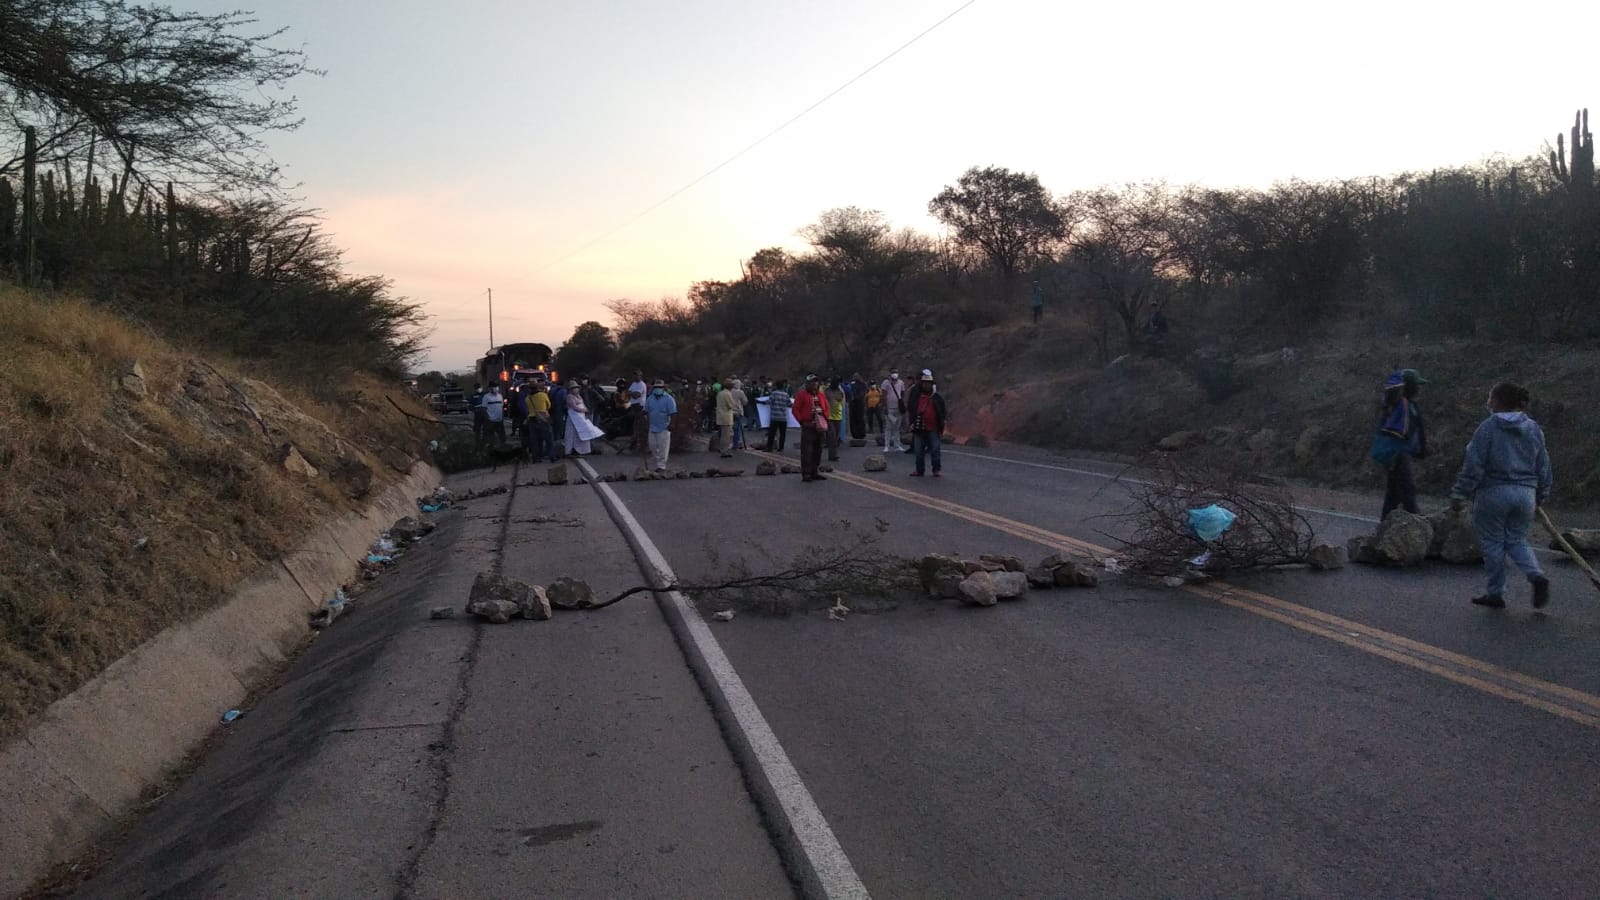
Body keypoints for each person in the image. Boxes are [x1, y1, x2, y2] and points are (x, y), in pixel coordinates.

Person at [1449, 382, 1553, 610]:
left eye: (1490, 398)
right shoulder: (1534, 428)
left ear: (1497, 401)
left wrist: (1460, 494)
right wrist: (1542, 493)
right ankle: (1535, 574)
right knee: (1516, 539)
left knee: (1492, 542)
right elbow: (1543, 464)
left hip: (1493, 493)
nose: (1488, 402)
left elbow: (1474, 465)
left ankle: (1495, 592)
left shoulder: (1488, 428)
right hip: (1526, 493)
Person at [1370, 368, 1429, 519]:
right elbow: (1400, 432)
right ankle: (1419, 526)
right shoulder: (1402, 405)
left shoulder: (1407, 404)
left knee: (1393, 495)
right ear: (1409, 387)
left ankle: (1383, 529)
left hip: (1399, 455)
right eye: (1416, 385)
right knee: (1407, 491)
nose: (1418, 389)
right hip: (1398, 455)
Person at [906, 369, 947, 477]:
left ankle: (936, 470)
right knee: (919, 451)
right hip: (919, 427)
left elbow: (942, 411)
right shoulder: (916, 395)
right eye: (925, 383)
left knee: (935, 449)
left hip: (933, 428)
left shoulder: (937, 397)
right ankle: (919, 470)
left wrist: (941, 423)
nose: (926, 385)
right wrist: (911, 422)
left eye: (929, 383)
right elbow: (911, 409)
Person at [792, 374, 830, 482]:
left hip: (820, 426)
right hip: (808, 426)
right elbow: (795, 409)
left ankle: (815, 471)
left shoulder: (821, 395)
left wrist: (825, 419)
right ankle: (806, 473)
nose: (815, 384)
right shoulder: (802, 395)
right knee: (807, 451)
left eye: (816, 382)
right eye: (812, 382)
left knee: (818, 450)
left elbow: (826, 408)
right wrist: (802, 422)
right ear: (807, 384)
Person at [644, 378, 678, 472]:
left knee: (663, 447)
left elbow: (673, 413)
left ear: (663, 388)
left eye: (660, 387)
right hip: (652, 426)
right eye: (656, 387)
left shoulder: (669, 399)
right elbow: (646, 411)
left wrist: (672, 424)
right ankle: (657, 461)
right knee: (653, 446)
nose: (658, 389)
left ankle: (661, 466)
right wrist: (644, 420)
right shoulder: (650, 398)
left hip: (664, 427)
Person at [564, 379, 605, 455]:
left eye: (576, 388)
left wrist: (585, 409)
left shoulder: (578, 396)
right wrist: (583, 410)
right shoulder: (569, 396)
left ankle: (581, 450)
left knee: (583, 433)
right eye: (573, 388)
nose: (576, 389)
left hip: (580, 417)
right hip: (573, 418)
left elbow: (583, 403)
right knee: (572, 434)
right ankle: (572, 450)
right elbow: (574, 407)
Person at [526, 382, 555, 462]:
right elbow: (549, 405)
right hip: (543, 419)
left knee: (535, 440)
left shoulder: (527, 398)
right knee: (549, 439)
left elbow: (528, 409)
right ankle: (551, 456)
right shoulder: (543, 395)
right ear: (537, 388)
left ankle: (536, 457)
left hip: (532, 419)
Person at [880, 370, 908, 453]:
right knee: (889, 427)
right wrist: (885, 406)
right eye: (893, 372)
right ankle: (886, 446)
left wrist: (901, 403)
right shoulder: (886, 382)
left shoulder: (901, 382)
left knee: (896, 427)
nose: (895, 374)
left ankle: (897, 445)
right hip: (889, 408)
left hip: (898, 408)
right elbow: (883, 395)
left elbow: (902, 393)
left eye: (896, 372)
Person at [715, 378, 741, 458]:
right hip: (726, 416)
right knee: (727, 435)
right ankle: (725, 451)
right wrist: (737, 410)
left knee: (722, 434)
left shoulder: (720, 393)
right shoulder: (728, 394)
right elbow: (730, 405)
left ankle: (722, 449)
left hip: (720, 415)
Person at [764, 379, 792, 451]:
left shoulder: (774, 393)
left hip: (774, 417)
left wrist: (761, 402)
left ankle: (769, 448)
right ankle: (781, 448)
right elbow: (789, 404)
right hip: (783, 418)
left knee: (772, 433)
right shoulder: (786, 395)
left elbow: (769, 402)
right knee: (782, 434)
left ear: (776, 386)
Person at [824, 377, 846, 462]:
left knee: (836, 436)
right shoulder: (827, 392)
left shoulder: (840, 392)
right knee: (832, 436)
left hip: (838, 416)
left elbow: (841, 402)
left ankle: (833, 453)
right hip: (829, 416)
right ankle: (832, 455)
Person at [848, 373, 868, 441]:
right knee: (853, 419)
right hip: (853, 402)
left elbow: (864, 391)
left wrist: (858, 397)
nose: (855, 377)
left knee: (860, 418)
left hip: (860, 402)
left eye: (856, 376)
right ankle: (855, 434)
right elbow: (849, 391)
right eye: (854, 376)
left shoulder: (862, 384)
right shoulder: (851, 384)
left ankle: (861, 433)